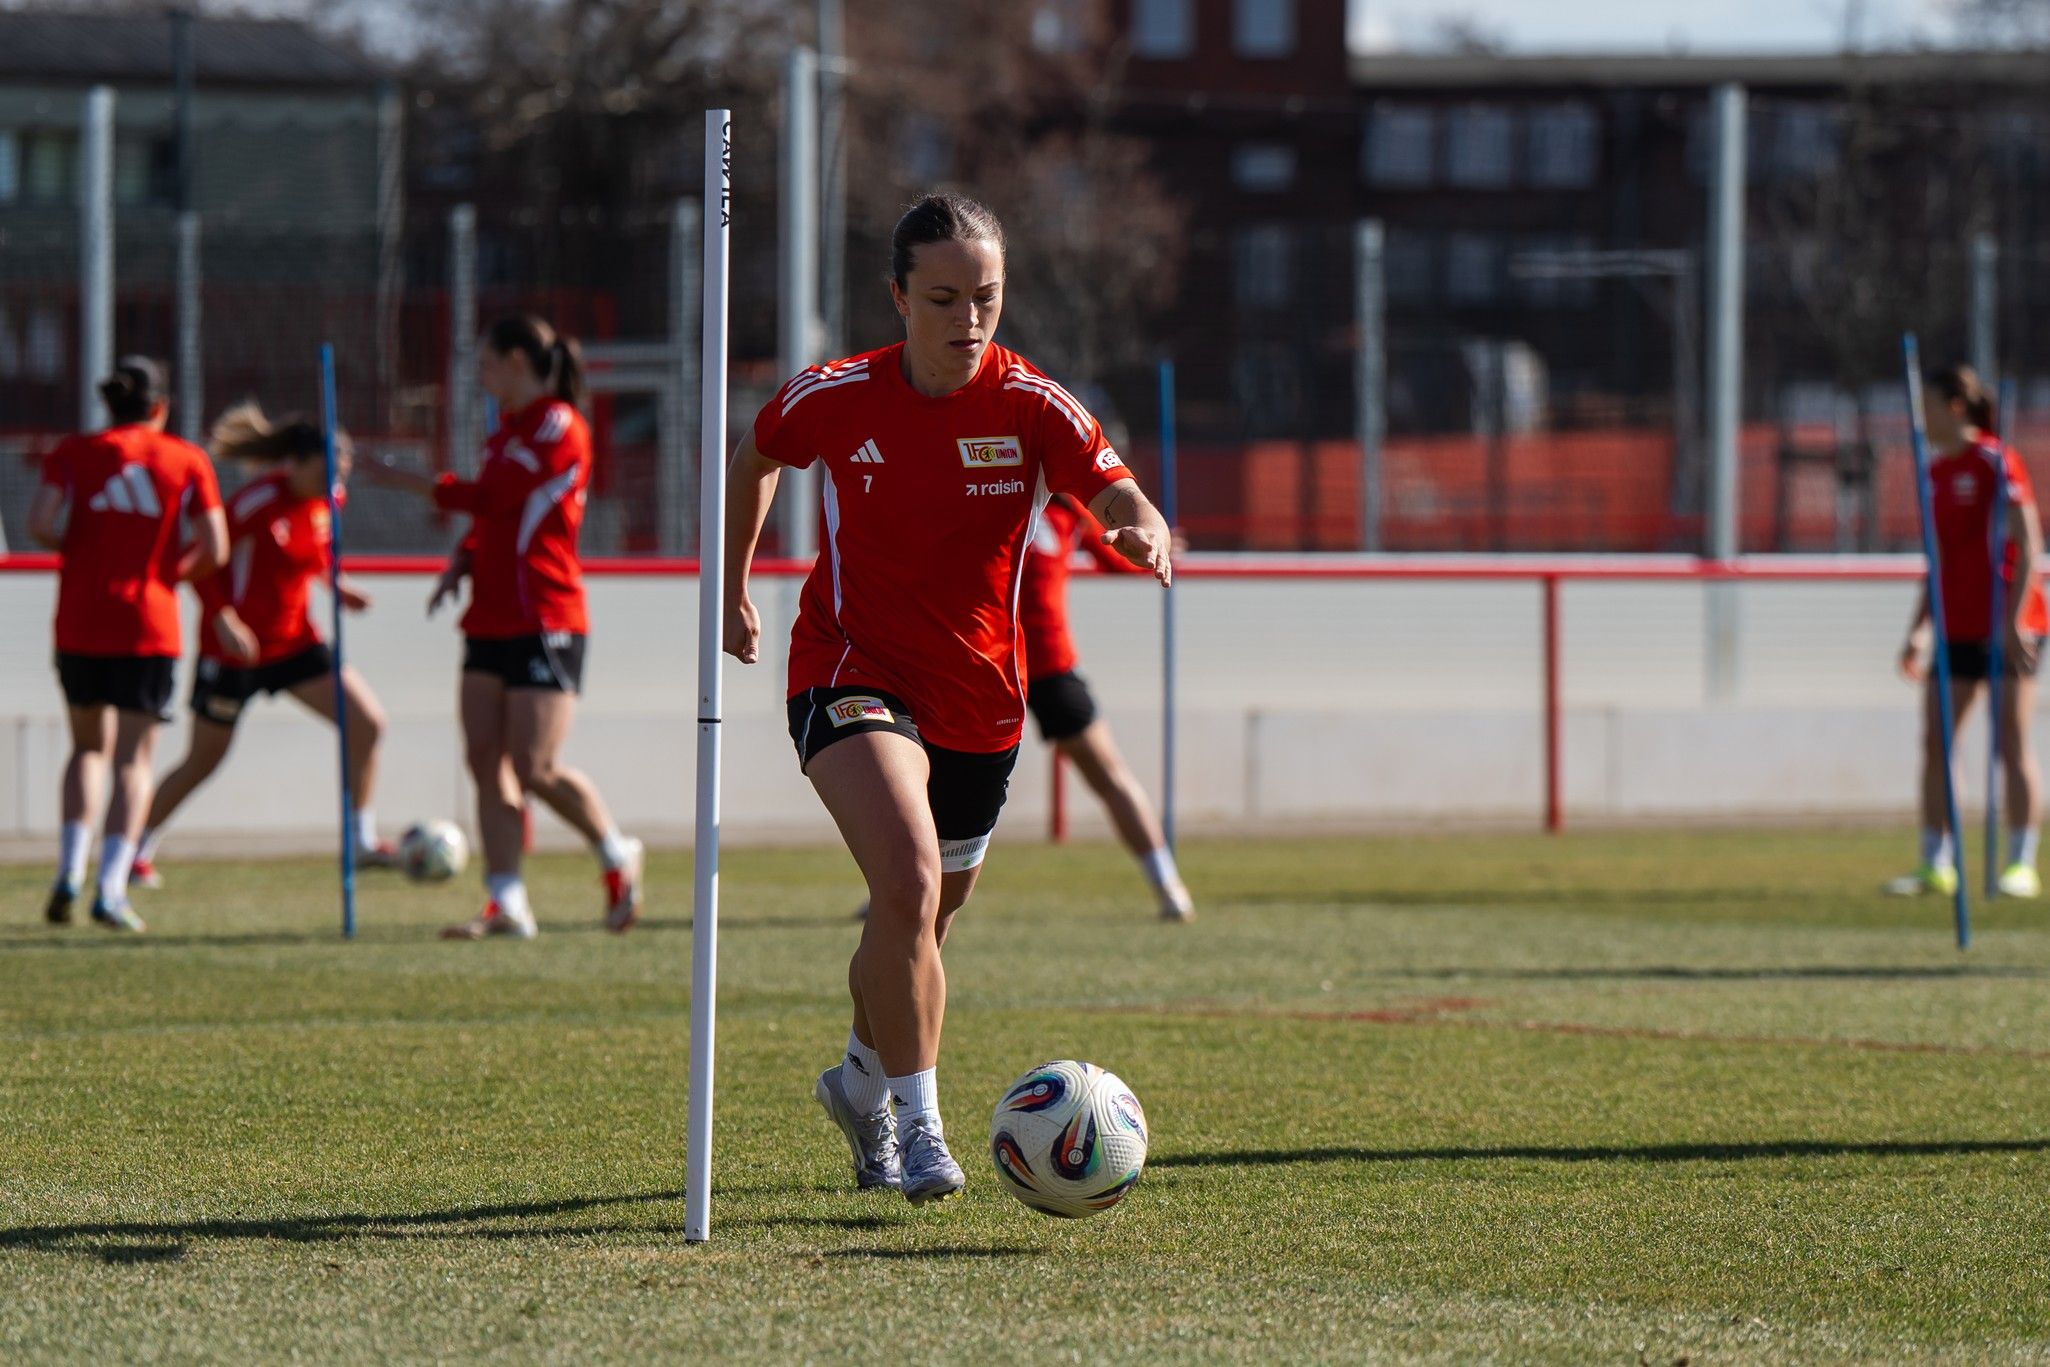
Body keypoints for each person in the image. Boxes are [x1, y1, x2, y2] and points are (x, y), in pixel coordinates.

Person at [724, 194, 1174, 1206]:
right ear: (898, 297)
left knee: (919, 919)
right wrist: (732, 584)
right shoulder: (835, 394)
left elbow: (1113, 487)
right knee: (910, 879)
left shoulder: (1031, 405)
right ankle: (919, 1126)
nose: (969, 318)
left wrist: (1138, 526)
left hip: (981, 698)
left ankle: (855, 1079)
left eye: (986, 297)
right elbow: (754, 456)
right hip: (846, 666)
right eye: (943, 297)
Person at [366, 314, 643, 939]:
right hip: (489, 617)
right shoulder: (509, 431)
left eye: (488, 363)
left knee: (534, 765)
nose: (481, 375)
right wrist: (462, 559)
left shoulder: (556, 423)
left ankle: (613, 851)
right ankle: (506, 901)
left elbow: (489, 496)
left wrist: (397, 478)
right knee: (485, 760)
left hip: (546, 616)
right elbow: (499, 516)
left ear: (518, 361)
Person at [131, 403, 395, 886]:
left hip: (295, 644)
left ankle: (360, 842)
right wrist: (223, 617)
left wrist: (338, 584)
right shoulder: (256, 503)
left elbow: (310, 554)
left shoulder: (330, 500)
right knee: (203, 760)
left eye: (344, 469)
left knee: (367, 724)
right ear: (295, 463)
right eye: (328, 468)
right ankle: (132, 848)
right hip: (234, 651)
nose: (337, 478)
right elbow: (201, 561)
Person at [26, 356, 226, 931]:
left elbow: (40, 522)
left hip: (80, 622)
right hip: (149, 623)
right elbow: (215, 547)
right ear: (160, 407)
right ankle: (111, 888)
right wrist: (169, 575)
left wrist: (82, 551)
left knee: (87, 748)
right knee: (133, 760)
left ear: (108, 404)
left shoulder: (74, 452)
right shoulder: (187, 459)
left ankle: (68, 870)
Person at [1890, 364, 2044, 899]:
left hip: (2007, 625)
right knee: (1936, 740)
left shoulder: (1997, 463)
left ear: (1954, 405)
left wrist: (2015, 622)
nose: (1920, 418)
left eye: (1927, 406)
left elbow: (2029, 545)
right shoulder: (1932, 473)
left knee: (2011, 740)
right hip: (1955, 625)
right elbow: (1939, 561)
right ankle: (1937, 861)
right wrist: (1917, 630)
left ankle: (2021, 862)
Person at [1022, 492, 1193, 921]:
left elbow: (1114, 558)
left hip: (1047, 663)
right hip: (979, 658)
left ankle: (1168, 885)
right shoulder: (978, 490)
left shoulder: (1067, 506)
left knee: (1108, 774)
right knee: (934, 781)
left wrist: (1155, 547)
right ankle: (901, 894)